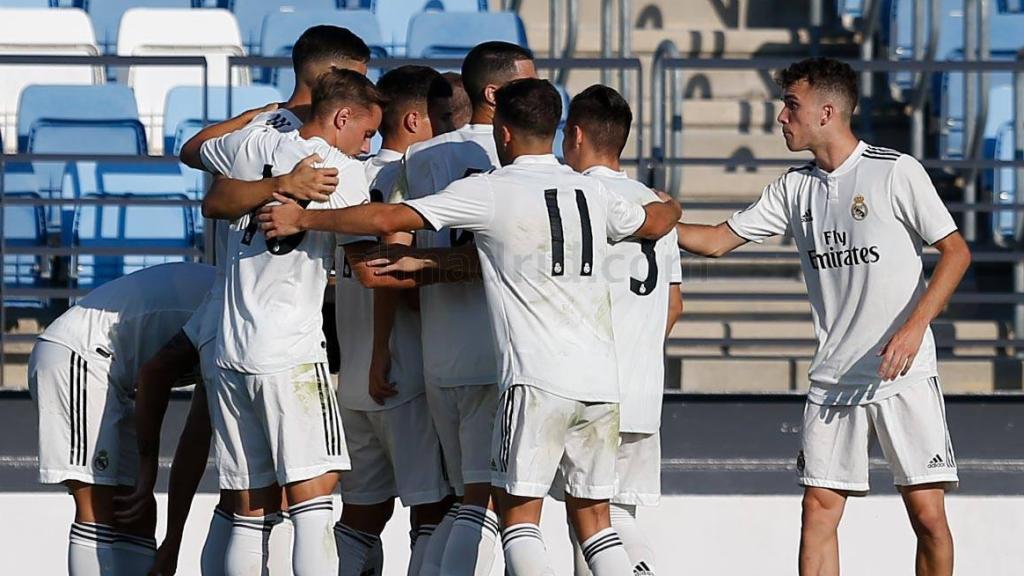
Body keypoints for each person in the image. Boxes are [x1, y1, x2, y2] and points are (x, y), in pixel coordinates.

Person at [257, 77, 683, 576]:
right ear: (556, 129)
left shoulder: (491, 190)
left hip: (536, 381)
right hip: (602, 383)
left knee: (516, 521)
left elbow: (388, 217)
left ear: (503, 132)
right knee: (597, 524)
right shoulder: (593, 192)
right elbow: (656, 222)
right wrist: (672, 205)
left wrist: (305, 221)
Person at [674, 57, 971, 576]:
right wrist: (649, 221)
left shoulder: (894, 170)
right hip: (834, 380)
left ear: (826, 112)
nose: (781, 117)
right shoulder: (795, 187)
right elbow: (717, 241)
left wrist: (913, 328)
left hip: (902, 374)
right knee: (817, 512)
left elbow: (956, 252)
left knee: (928, 517)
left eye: (791, 105)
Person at [198, 68, 385, 576]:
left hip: (232, 346)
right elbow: (370, 266)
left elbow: (205, 178)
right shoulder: (339, 170)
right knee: (314, 496)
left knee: (249, 507)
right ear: (342, 117)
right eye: (366, 132)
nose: (367, 146)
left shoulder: (253, 141)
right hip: (290, 350)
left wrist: (268, 174)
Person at [384, 40, 537, 576]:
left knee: (457, 500)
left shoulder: (417, 158)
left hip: (439, 353)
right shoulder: (518, 161)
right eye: (527, 81)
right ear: (494, 94)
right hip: (499, 355)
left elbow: (393, 245)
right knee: (493, 502)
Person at [332, 65, 453, 576]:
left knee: (362, 514)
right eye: (440, 118)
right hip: (401, 374)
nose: (446, 129)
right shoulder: (411, 178)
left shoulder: (349, 176)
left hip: (356, 380)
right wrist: (384, 349)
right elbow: (387, 269)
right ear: (414, 120)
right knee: (435, 510)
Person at [559, 84, 684, 576]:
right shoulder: (655, 204)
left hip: (590, 388)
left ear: (576, 134)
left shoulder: (575, 199)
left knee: (587, 518)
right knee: (620, 515)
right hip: (642, 386)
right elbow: (674, 305)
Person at [28, 262, 214, 575]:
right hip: (81, 356)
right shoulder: (237, 310)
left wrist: (173, 540)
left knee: (135, 513)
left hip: (113, 374)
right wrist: (148, 467)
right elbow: (153, 374)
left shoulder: (243, 312)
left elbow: (196, 439)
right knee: (97, 504)